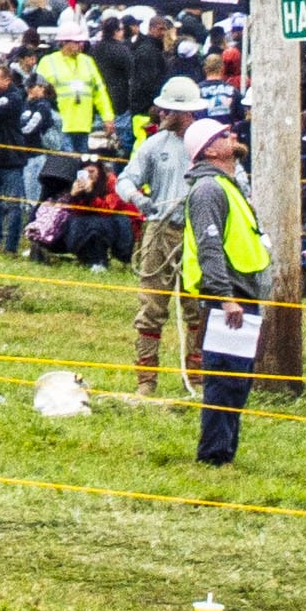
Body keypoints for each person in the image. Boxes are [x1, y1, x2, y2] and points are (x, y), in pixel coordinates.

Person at [186, 119, 273, 469]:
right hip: (228, 298)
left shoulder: (227, 185)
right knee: (224, 379)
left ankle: (224, 451)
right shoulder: (209, 189)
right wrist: (225, 297)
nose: (232, 136)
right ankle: (214, 456)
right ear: (209, 149)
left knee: (237, 379)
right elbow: (209, 247)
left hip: (240, 296)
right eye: (223, 135)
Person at [119, 83, 204, 395]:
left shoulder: (209, 144)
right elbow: (127, 178)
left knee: (197, 309)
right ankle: (146, 381)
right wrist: (136, 198)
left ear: (185, 112)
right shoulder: (154, 145)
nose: (162, 113)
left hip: (198, 234)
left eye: (169, 109)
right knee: (151, 307)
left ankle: (196, 378)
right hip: (160, 230)